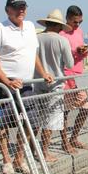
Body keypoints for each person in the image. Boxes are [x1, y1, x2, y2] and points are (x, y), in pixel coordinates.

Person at [0, 0, 54, 174]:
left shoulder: (29, 27)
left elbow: (32, 55)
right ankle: (6, 160)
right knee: (2, 124)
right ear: (7, 10)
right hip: (5, 84)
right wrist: (7, 81)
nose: (21, 11)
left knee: (31, 123)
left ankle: (19, 158)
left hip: (27, 85)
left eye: (23, 7)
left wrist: (43, 73)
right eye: (17, 7)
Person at [34, 9, 74, 162]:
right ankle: (44, 152)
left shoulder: (36, 38)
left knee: (36, 119)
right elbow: (69, 64)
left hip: (37, 83)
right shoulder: (62, 40)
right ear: (59, 26)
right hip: (56, 84)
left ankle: (31, 149)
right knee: (49, 122)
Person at [60, 5, 88, 152]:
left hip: (80, 73)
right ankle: (65, 141)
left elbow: (80, 52)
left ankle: (74, 137)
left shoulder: (80, 31)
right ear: (67, 19)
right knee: (65, 111)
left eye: (79, 22)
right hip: (66, 74)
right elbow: (60, 56)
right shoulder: (61, 33)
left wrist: (84, 51)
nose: (77, 25)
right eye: (74, 22)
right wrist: (74, 51)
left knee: (86, 107)